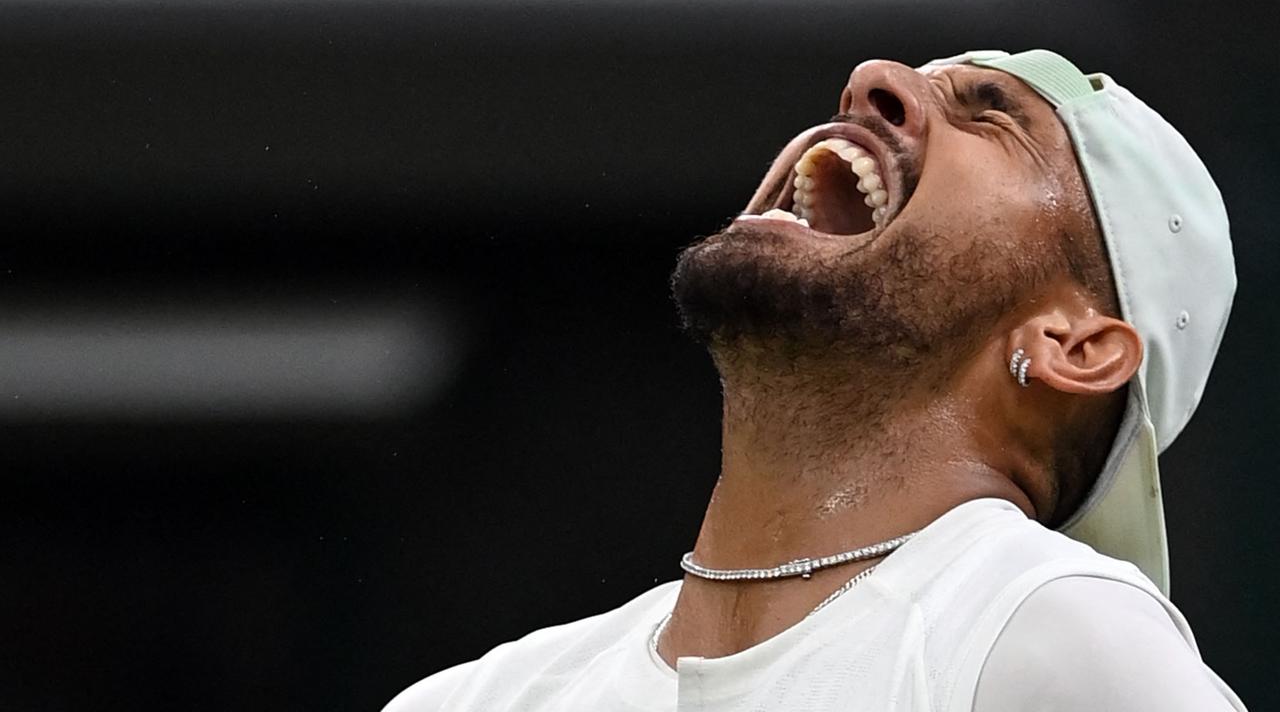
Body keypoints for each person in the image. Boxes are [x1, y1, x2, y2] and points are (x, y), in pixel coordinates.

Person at [384, 49, 1247, 711]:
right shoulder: (475, 699)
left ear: (1074, 346)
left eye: (990, 120)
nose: (873, 81)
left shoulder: (1049, 635)